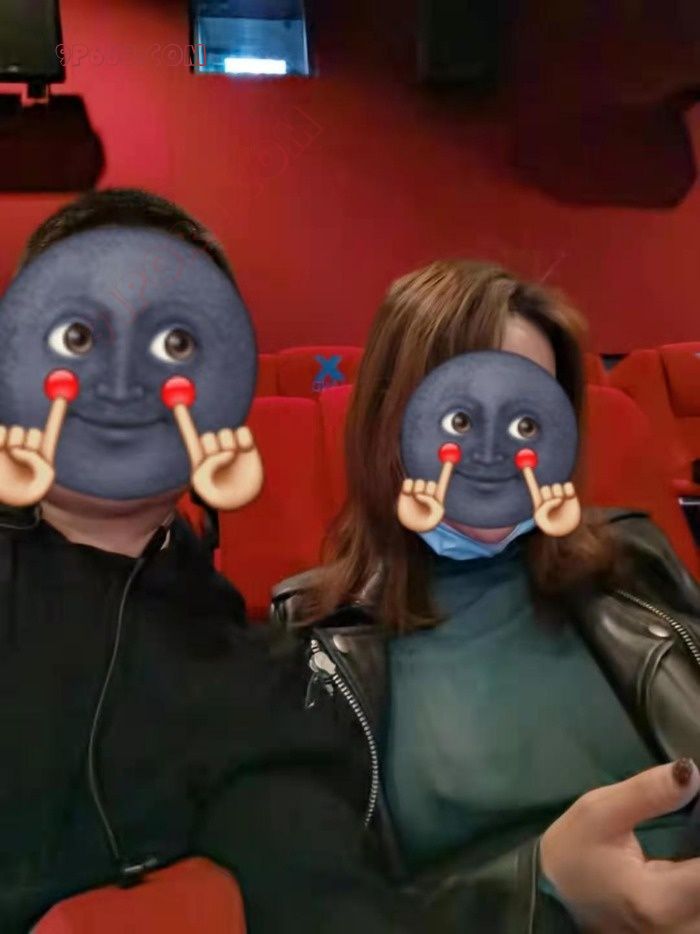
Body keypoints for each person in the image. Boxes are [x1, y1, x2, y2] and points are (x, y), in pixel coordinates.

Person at [0, 188, 417, 933]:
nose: (123, 379)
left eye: (175, 344)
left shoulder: (257, 678)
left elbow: (322, 886)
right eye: (79, 335)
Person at [273, 259, 700, 932]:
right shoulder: (313, 645)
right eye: (461, 418)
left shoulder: (631, 557)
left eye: (530, 421)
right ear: (391, 421)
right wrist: (544, 888)